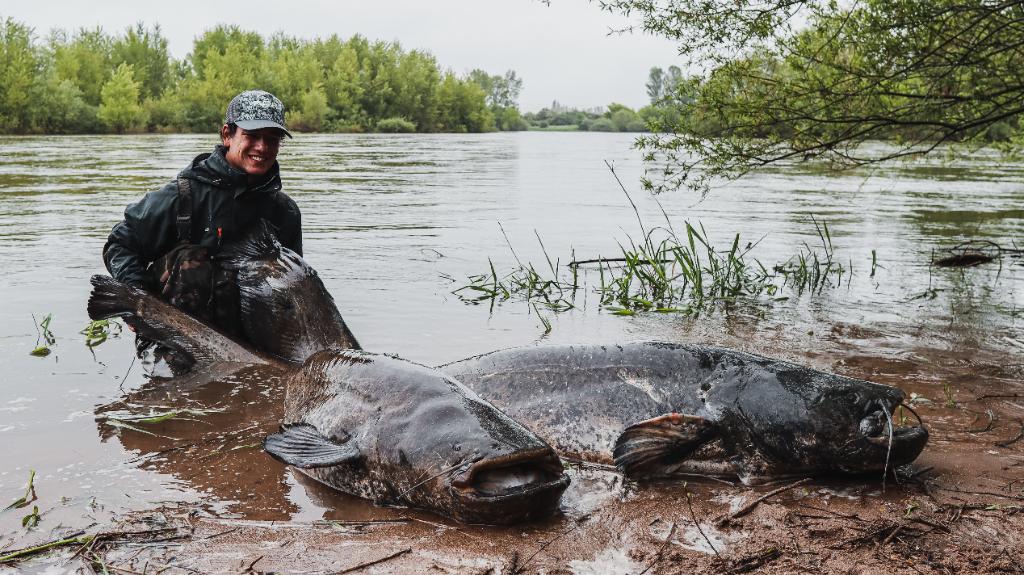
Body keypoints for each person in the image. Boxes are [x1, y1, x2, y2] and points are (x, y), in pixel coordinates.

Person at [103, 90, 302, 338]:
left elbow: (294, 289)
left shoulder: (286, 212)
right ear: (227, 135)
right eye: (252, 135)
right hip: (176, 337)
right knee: (193, 258)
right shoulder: (183, 195)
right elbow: (120, 245)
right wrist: (138, 302)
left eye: (272, 139)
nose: (262, 147)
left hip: (249, 340)